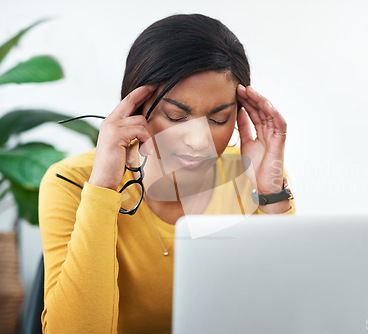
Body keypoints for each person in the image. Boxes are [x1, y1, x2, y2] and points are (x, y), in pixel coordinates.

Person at [39, 13, 295, 333]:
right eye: (176, 116)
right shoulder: (72, 183)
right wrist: (103, 187)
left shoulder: (254, 178)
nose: (198, 139)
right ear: (135, 109)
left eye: (218, 119)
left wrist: (271, 199)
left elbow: (287, 317)